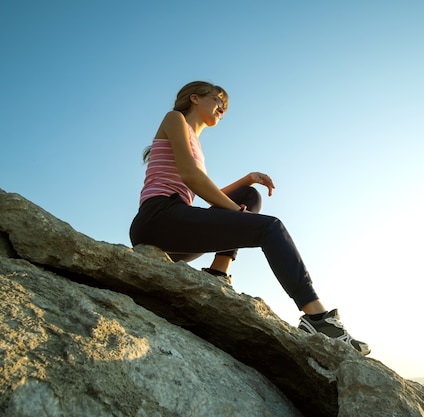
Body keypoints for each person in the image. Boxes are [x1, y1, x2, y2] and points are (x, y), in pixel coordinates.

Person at [129, 81, 369, 355]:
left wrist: (248, 180)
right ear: (194, 98)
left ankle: (218, 273)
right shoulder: (175, 119)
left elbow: (207, 193)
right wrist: (234, 211)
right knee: (270, 227)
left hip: (177, 228)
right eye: (217, 99)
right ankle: (317, 318)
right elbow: (191, 177)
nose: (222, 107)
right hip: (157, 219)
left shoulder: (197, 144)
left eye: (225, 104)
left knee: (249, 195)